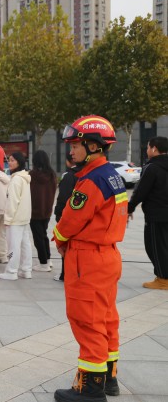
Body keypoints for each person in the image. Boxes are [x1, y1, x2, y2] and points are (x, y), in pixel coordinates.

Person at [52, 115, 127, 401]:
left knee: (86, 321)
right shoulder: (112, 176)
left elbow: (70, 221)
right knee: (106, 317)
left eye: (75, 145)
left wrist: (59, 239)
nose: (71, 150)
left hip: (88, 259)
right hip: (108, 255)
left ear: (93, 146)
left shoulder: (91, 180)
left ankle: (90, 389)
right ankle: (109, 377)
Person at [127, 136, 168, 290]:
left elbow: (140, 191)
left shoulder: (152, 167)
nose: (147, 150)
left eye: (148, 147)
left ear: (154, 149)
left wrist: (129, 208)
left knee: (155, 247)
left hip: (156, 215)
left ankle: (163, 279)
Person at [0, 152, 33, 280]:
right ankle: (26, 270)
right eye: (9, 160)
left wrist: (8, 218)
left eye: (12, 160)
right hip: (24, 217)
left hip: (15, 218)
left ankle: (11, 271)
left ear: (19, 162)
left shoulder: (16, 179)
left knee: (13, 246)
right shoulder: (25, 177)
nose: (9, 162)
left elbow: (12, 201)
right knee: (25, 244)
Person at [53, 152, 81, 282]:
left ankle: (65, 274)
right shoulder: (88, 174)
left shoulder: (69, 176)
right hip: (81, 218)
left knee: (65, 246)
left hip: (68, 217)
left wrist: (58, 214)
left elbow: (63, 198)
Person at [29, 150, 57, 272]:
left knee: (38, 238)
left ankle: (43, 263)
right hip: (47, 211)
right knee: (44, 236)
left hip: (34, 211)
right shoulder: (52, 175)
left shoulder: (32, 175)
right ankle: (48, 260)